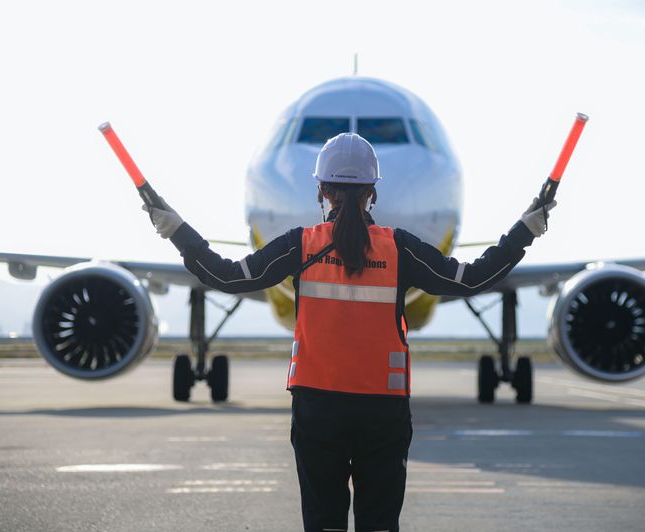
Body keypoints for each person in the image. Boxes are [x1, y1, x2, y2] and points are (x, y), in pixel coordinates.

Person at [146, 133, 555, 532]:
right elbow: (473, 278)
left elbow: (228, 276)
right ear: (372, 192)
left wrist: (177, 230)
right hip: (383, 411)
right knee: (378, 524)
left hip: (317, 408)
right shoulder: (399, 248)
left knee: (324, 523)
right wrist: (525, 231)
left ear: (321, 191)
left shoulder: (300, 246)